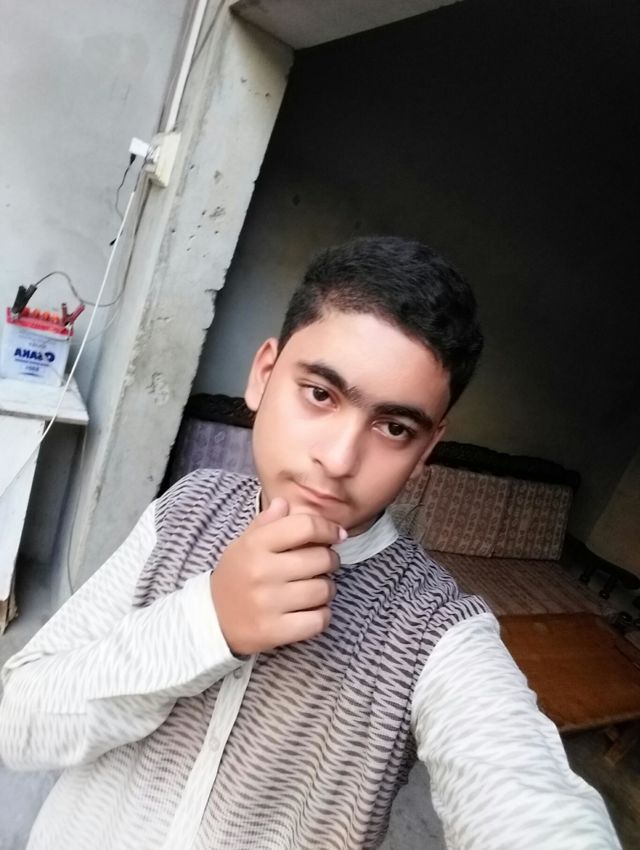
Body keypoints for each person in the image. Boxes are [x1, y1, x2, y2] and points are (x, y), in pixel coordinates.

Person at [0, 237, 620, 850]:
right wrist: (206, 621)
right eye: (321, 394)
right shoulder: (187, 508)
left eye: (394, 427)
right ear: (264, 375)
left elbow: (522, 791)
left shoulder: (435, 631)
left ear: (427, 448)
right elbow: (19, 723)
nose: (340, 458)